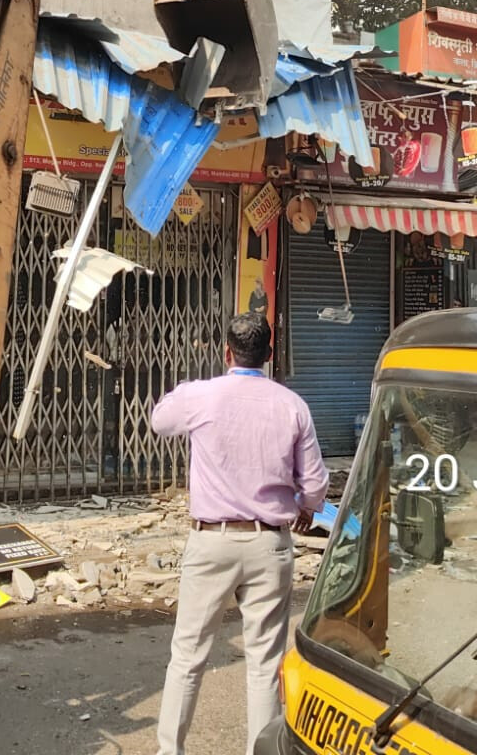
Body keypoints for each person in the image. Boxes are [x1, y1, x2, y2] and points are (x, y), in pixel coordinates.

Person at [150, 313, 328, 755]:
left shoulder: (201, 396)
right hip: (270, 543)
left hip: (211, 541)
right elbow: (316, 483)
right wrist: (306, 507)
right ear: (269, 355)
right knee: (265, 662)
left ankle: (170, 750)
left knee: (188, 657)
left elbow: (159, 421)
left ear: (226, 353)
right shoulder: (292, 405)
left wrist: (193, 392)